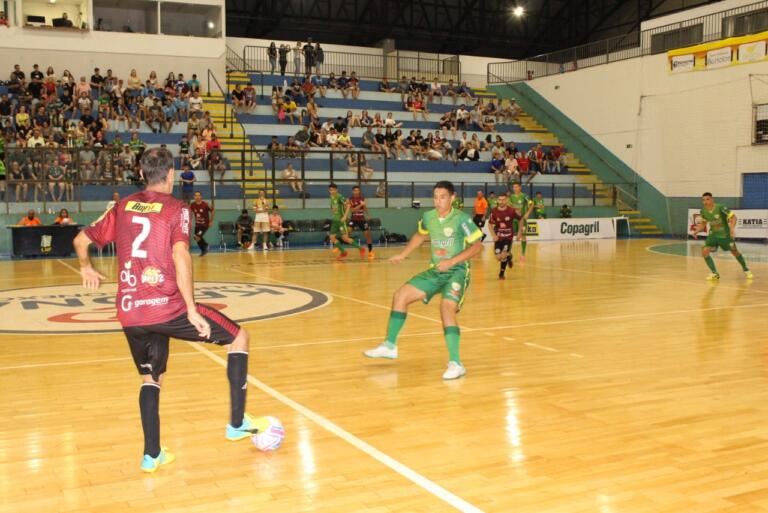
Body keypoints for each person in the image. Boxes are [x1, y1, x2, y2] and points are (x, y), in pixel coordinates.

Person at [73, 148, 254, 474]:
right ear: (171, 174)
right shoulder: (177, 209)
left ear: (142, 174)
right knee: (238, 337)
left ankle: (152, 455)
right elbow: (181, 255)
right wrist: (190, 309)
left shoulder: (123, 205)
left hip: (130, 312)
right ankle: (237, 423)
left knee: (150, 377)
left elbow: (79, 240)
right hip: (168, 308)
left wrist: (86, 268)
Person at [363, 181, 483, 380]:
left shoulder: (462, 219)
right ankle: (390, 345)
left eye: (442, 197)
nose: (438, 201)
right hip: (435, 272)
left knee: (446, 308)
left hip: (457, 272)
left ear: (453, 198)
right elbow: (420, 236)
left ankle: (456, 363)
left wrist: (452, 261)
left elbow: (478, 246)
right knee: (400, 295)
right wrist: (403, 255)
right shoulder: (428, 217)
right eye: (435, 197)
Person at [691, 192, 753, 280]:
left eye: (707, 199)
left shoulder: (720, 207)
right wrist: (695, 231)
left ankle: (746, 269)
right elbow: (703, 224)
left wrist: (731, 229)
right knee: (704, 251)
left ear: (712, 199)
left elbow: (733, 217)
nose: (705, 202)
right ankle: (714, 273)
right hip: (713, 235)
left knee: (735, 252)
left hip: (725, 235)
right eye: (703, 200)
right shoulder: (703, 211)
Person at [487, 192, 521, 280]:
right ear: (497, 201)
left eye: (503, 200)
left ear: (506, 200)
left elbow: (521, 220)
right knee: (498, 258)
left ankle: (501, 274)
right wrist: (493, 235)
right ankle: (509, 257)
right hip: (498, 238)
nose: (501, 201)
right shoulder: (494, 211)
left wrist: (519, 232)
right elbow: (489, 224)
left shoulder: (512, 211)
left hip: (508, 237)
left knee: (503, 255)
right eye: (500, 200)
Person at [328, 183, 361, 260]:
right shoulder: (331, 197)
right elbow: (333, 207)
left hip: (341, 221)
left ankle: (360, 248)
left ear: (336, 190)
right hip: (335, 220)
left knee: (345, 238)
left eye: (333, 190)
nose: (331, 191)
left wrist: (345, 216)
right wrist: (332, 209)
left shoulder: (340, 197)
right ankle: (343, 252)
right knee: (332, 237)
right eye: (330, 190)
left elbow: (348, 205)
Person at [347, 185, 375, 260]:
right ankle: (358, 248)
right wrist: (360, 205)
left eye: (358, 190)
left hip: (362, 219)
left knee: (367, 235)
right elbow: (352, 210)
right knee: (347, 232)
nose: (356, 192)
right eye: (355, 190)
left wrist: (368, 215)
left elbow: (365, 208)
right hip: (353, 219)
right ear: (352, 191)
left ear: (359, 191)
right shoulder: (350, 199)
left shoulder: (362, 198)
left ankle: (370, 251)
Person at [509, 182, 533, 263]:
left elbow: (532, 204)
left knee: (523, 236)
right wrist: (515, 210)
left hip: (522, 219)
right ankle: (509, 253)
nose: (515, 188)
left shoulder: (524, 196)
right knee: (510, 236)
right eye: (514, 187)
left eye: (516, 187)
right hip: (513, 220)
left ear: (520, 188)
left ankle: (522, 255)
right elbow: (509, 206)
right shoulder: (511, 197)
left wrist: (527, 213)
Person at [189, 191, 213, 257]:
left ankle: (205, 246)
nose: (197, 197)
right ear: (194, 197)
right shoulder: (192, 205)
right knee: (196, 237)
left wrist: (211, 221)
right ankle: (203, 250)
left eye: (198, 195)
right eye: (196, 195)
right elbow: (189, 212)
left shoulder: (205, 204)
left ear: (201, 196)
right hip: (197, 225)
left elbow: (213, 211)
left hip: (205, 225)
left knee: (197, 236)